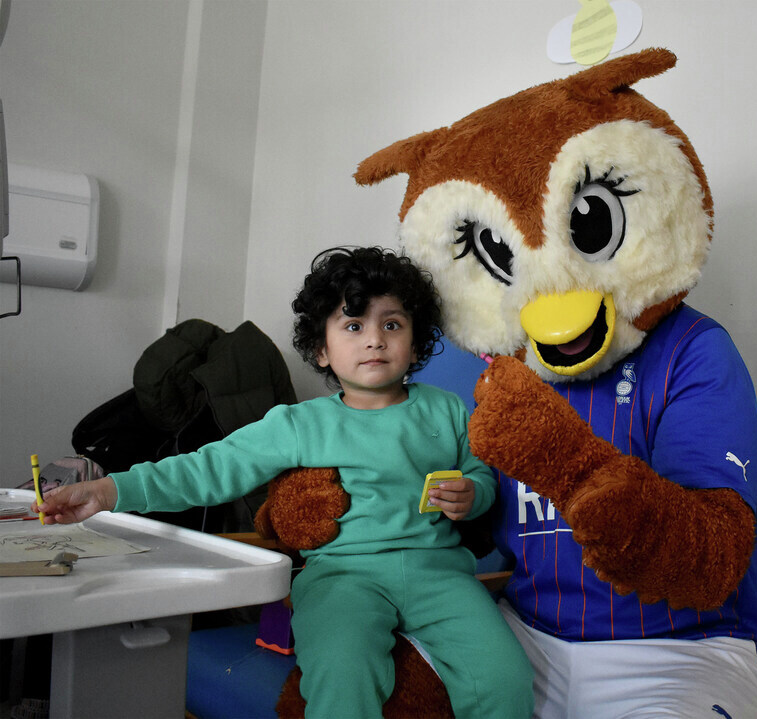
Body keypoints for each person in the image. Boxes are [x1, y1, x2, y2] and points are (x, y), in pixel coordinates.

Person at [36, 246, 534, 719]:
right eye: (354, 325)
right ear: (321, 350)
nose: (375, 339)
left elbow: (478, 476)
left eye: (392, 324)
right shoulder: (298, 424)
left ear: (415, 340)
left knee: (504, 675)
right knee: (342, 674)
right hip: (343, 580)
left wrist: (473, 494)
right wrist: (109, 491)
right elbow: (209, 467)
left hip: (441, 577)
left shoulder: (447, 409)